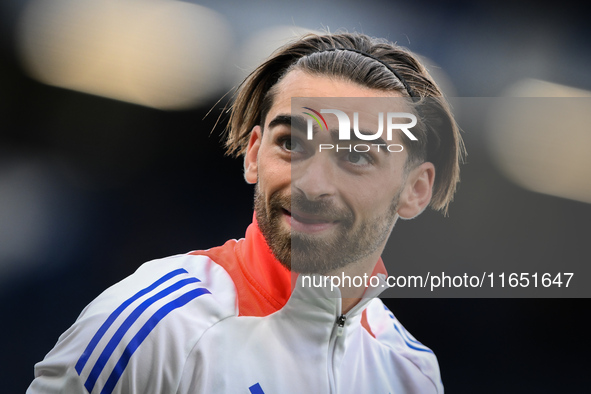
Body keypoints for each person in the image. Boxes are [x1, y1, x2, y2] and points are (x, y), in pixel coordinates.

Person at [28, 32, 463, 393]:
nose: (311, 184)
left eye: (356, 156)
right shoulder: (155, 326)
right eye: (291, 144)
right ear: (254, 154)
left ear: (415, 189)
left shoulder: (412, 372)